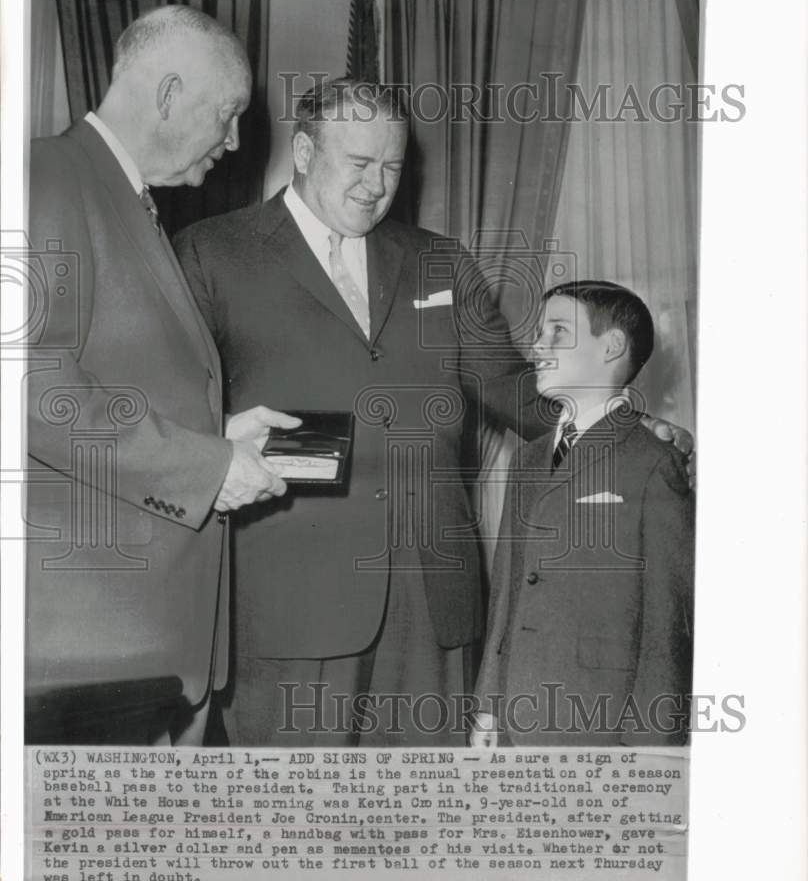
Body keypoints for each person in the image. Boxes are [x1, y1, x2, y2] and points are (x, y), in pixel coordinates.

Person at [175, 77, 693, 746]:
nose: (376, 186)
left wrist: (617, 429)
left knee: (423, 828)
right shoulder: (212, 253)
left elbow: (512, 387)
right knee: (293, 826)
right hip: (289, 605)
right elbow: (174, 406)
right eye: (358, 165)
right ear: (304, 153)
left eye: (391, 168)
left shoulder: (440, 261)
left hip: (433, 607)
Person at [26, 5, 297, 747]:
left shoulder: (125, 199)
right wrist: (206, 466)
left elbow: (106, 373)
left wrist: (222, 434)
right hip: (89, 657)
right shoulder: (45, 176)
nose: (236, 140)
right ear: (171, 94)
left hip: (147, 646)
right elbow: (28, 385)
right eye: (229, 114)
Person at [471, 281, 694, 747]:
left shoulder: (653, 461)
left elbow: (665, 625)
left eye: (558, 330)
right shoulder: (528, 459)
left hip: (601, 723)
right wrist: (489, 707)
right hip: (517, 712)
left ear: (612, 347)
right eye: (539, 331)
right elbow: (508, 593)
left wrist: (652, 749)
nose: (538, 344)